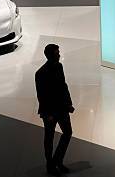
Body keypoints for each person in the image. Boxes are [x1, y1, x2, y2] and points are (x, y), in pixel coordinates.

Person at [35, 44, 74, 176]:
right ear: (50, 55)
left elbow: (64, 86)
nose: (59, 55)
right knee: (49, 139)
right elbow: (42, 96)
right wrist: (48, 113)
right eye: (57, 53)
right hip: (50, 112)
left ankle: (57, 161)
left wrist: (69, 103)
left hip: (62, 108)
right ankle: (50, 165)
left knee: (67, 133)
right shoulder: (40, 73)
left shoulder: (59, 66)